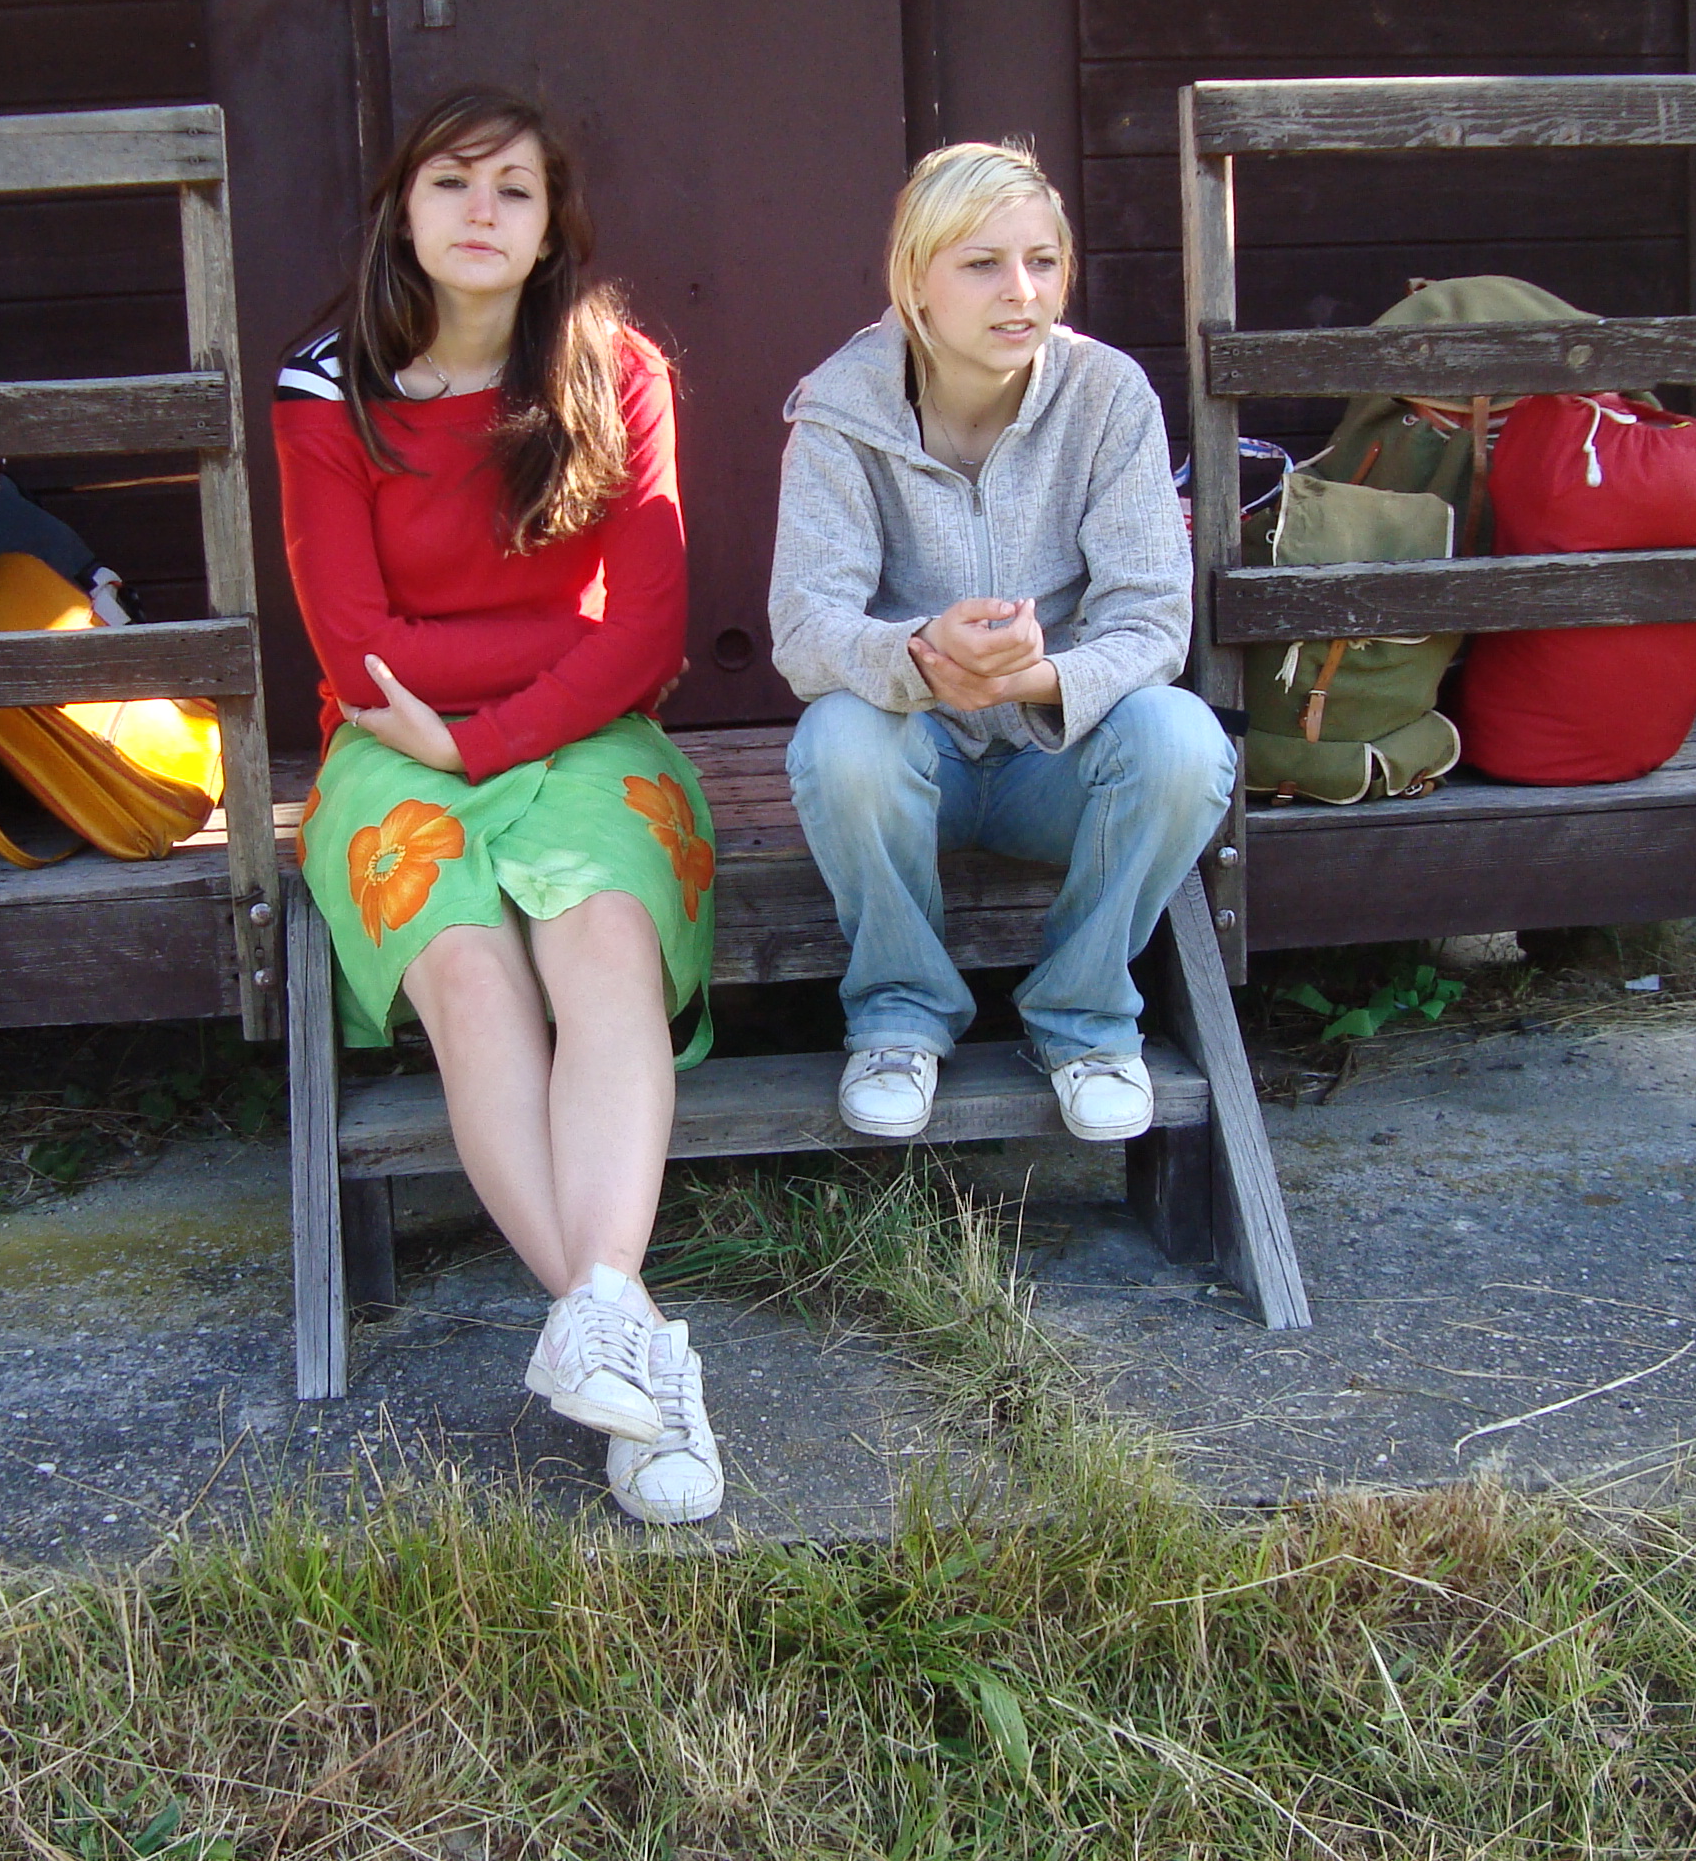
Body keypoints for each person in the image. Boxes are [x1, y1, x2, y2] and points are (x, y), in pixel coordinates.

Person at [275, 87, 722, 1524]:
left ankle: (604, 1328)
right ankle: (633, 1342)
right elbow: (357, 648)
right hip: (387, 749)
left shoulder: (617, 372)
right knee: (467, 973)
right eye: (452, 183)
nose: (482, 212)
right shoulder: (327, 392)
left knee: (602, 940)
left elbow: (648, 631)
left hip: (586, 737)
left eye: (514, 190)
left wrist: (493, 726)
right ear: (402, 210)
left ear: (550, 230)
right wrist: (539, 659)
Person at [769, 140, 1235, 1143]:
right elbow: (805, 628)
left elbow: (1154, 617)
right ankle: (899, 1015)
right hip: (916, 761)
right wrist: (920, 656)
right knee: (837, 738)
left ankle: (1086, 1019)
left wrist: (1046, 676)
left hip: (1054, 763)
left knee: (1185, 741)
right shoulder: (841, 411)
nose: (1021, 291)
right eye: (982, 263)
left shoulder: (1106, 396)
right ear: (915, 281)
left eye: (1043, 261)